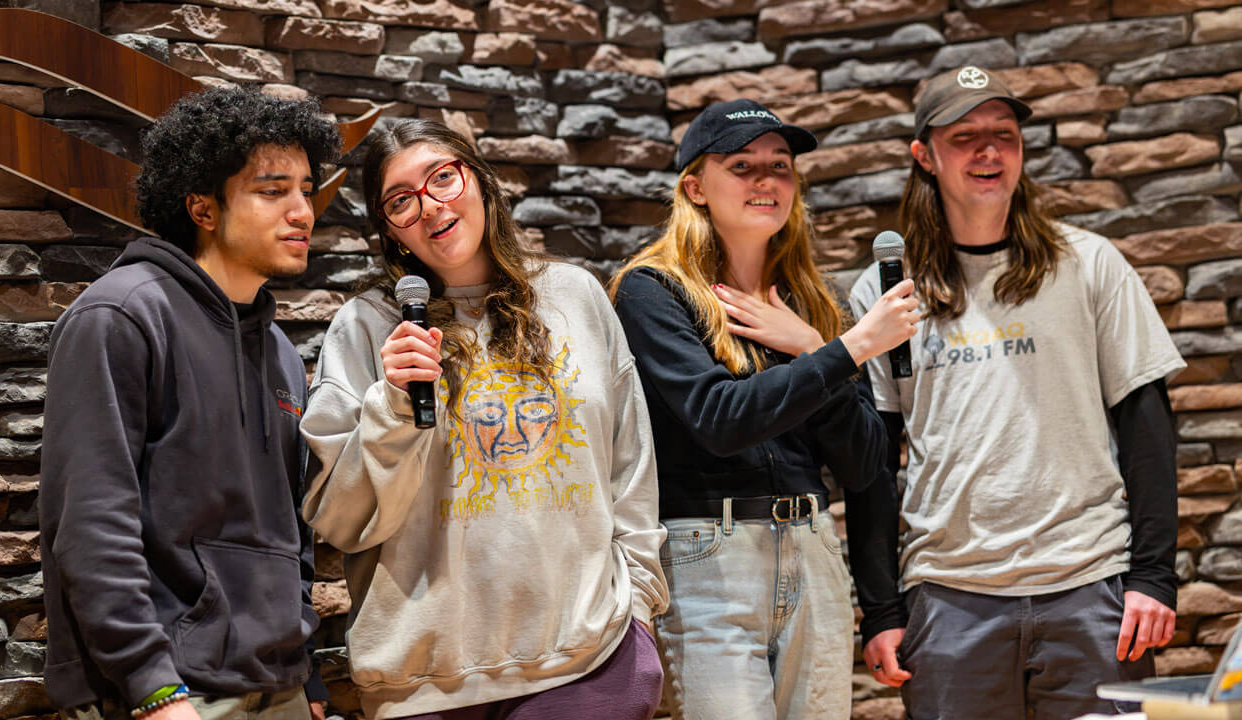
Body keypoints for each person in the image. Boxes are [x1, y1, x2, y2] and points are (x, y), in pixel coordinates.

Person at [299, 118, 668, 720]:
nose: (429, 206)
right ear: (390, 234)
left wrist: (641, 609)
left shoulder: (575, 296)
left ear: (480, 182)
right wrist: (392, 404)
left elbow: (631, 464)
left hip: (589, 664)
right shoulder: (367, 328)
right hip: (424, 683)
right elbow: (342, 521)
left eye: (442, 178)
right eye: (401, 201)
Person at [848, 66, 1186, 719]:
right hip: (948, 600)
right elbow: (873, 470)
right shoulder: (887, 293)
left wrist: (1153, 577)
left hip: (1091, 588)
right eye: (966, 135)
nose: (989, 150)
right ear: (925, 155)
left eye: (1003, 134)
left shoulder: (1089, 263)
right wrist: (882, 610)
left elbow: (1147, 426)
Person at [608, 98, 920, 720]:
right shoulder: (652, 291)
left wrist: (810, 344)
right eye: (743, 165)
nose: (766, 180)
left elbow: (863, 464)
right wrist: (847, 351)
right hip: (708, 556)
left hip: (812, 546)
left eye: (780, 166)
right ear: (695, 187)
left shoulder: (812, 303)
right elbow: (720, 419)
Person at [39, 87, 341, 720]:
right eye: (272, 190)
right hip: (167, 695)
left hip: (275, 689)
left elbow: (288, 529)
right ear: (203, 208)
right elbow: (92, 524)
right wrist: (152, 688)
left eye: (306, 190)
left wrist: (306, 676)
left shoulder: (281, 351)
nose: (302, 212)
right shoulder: (120, 315)